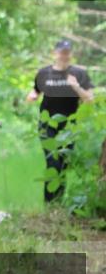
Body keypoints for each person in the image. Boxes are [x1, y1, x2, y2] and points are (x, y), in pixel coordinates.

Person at [26, 39, 95, 202]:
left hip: (69, 127)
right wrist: (32, 96)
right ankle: (49, 205)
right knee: (53, 163)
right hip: (47, 125)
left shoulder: (79, 74)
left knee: (63, 165)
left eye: (67, 52)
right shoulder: (44, 73)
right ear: (54, 53)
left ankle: (57, 206)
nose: (64, 56)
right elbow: (34, 91)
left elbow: (90, 100)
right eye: (61, 52)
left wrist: (76, 87)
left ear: (71, 54)